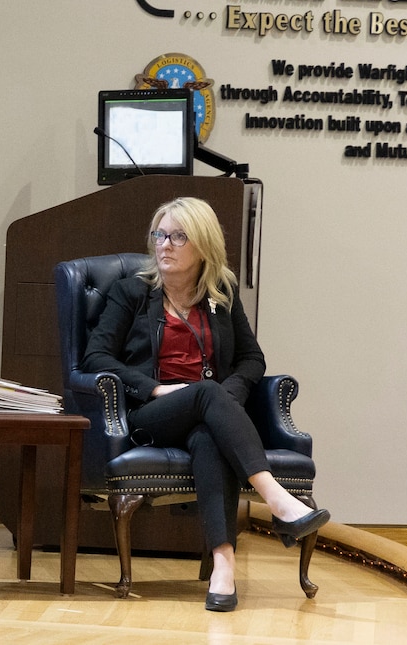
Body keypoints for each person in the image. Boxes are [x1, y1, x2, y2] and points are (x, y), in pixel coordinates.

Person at [81, 196, 330, 613]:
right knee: (204, 394)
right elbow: (96, 358)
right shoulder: (131, 293)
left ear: (203, 245)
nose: (165, 244)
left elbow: (253, 359)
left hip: (208, 412)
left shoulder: (221, 295)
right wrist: (156, 389)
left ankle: (222, 568)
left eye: (178, 236)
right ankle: (278, 500)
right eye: (160, 235)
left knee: (208, 437)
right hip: (152, 415)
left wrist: (225, 397)